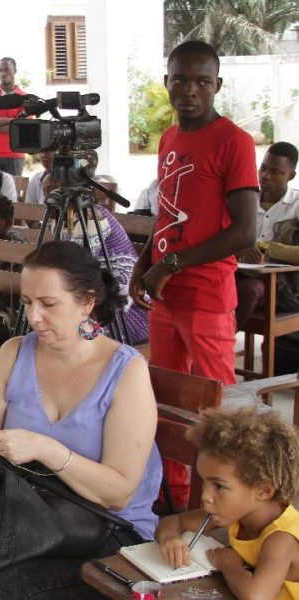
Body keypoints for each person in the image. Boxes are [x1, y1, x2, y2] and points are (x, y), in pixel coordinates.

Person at [0, 241, 162, 599]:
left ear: (87, 303)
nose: (33, 317)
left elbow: (119, 494)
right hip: (34, 520)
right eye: (28, 302)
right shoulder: (14, 352)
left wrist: (45, 449)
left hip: (112, 533)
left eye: (48, 304)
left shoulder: (125, 371)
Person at [129, 40, 257, 385]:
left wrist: (169, 264)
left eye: (202, 82)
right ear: (166, 81)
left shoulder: (234, 141)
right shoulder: (169, 137)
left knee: (216, 402)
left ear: (217, 85)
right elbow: (168, 211)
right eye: (180, 80)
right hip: (164, 291)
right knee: (168, 396)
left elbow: (245, 232)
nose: (190, 90)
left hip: (206, 296)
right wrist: (144, 262)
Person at [155, 407, 299, 600]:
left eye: (219, 486)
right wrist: (170, 538)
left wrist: (229, 565)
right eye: (204, 483)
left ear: (263, 491)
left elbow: (256, 597)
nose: (206, 496)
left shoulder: (281, 539)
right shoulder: (237, 513)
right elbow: (173, 521)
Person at [38, 174, 149, 343]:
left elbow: (77, 272)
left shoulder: (92, 217)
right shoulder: (63, 219)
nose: (47, 199)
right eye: (45, 192)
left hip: (122, 312)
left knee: (59, 325)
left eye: (52, 191)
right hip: (94, 299)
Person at [235, 142, 299, 328]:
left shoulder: (295, 205)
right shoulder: (246, 199)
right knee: (209, 281)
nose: (265, 176)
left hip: (280, 284)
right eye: (263, 168)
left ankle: (221, 343)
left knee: (248, 289)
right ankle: (203, 340)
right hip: (239, 270)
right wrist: (241, 250)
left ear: (291, 175)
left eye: (276, 172)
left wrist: (266, 247)